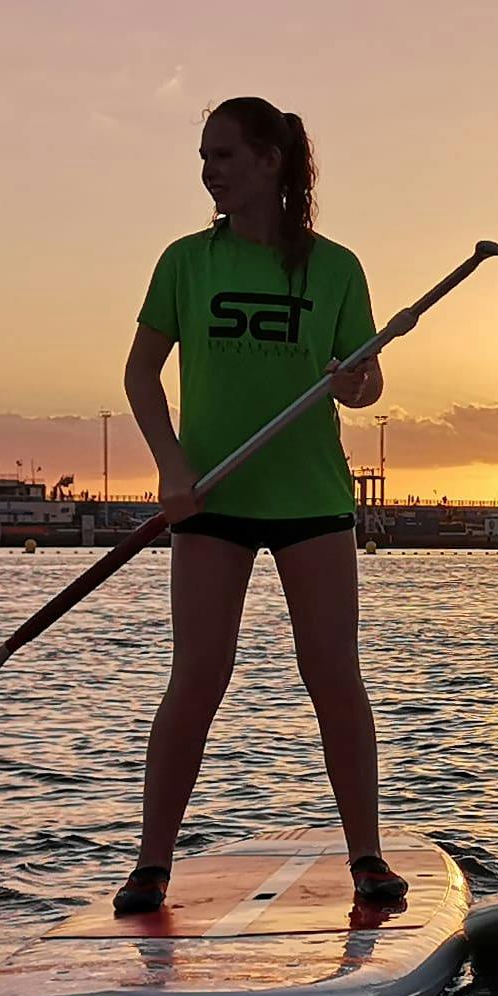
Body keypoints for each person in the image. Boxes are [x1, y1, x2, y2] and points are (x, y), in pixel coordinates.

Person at [115, 96, 400, 915]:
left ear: (271, 160)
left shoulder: (335, 267)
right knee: (197, 678)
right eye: (204, 157)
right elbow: (140, 376)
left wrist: (358, 379)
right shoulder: (185, 262)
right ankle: (150, 865)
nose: (209, 171)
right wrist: (170, 467)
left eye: (225, 155)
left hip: (310, 497)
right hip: (211, 496)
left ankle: (367, 857)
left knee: (332, 676)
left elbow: (365, 379)